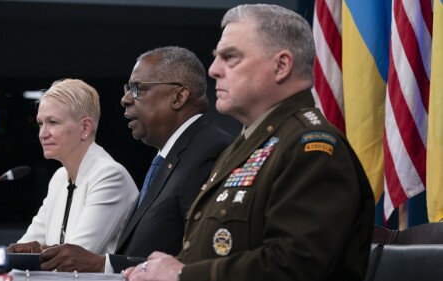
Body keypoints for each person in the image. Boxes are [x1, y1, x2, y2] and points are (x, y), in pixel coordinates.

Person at [123, 4, 375, 281]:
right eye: (216, 57)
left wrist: (183, 274)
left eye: (230, 57)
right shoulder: (245, 147)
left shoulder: (311, 149)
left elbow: (297, 267)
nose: (214, 70)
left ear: (281, 66)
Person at [32, 46, 234, 272]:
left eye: (138, 89)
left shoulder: (209, 150)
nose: (125, 99)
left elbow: (200, 258)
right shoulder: (170, 155)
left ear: (178, 97)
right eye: (128, 89)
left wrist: (103, 264)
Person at [0, 78, 139, 256]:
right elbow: (24, 248)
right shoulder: (59, 177)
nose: (42, 134)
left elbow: (73, 257)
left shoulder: (110, 176)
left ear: (84, 128)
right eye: (40, 123)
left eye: (53, 122)